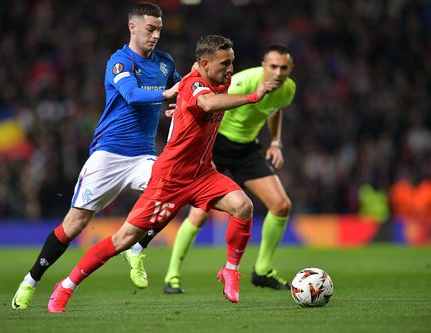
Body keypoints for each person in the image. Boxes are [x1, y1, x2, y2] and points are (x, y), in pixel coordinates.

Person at [46, 34, 280, 312]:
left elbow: (199, 98)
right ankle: (66, 286)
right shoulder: (196, 83)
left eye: (232, 62)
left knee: (243, 206)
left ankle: (230, 270)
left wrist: (181, 108)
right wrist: (253, 96)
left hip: (202, 174)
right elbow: (206, 104)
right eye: (225, 63)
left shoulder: (218, 79)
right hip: (169, 180)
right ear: (204, 64)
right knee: (124, 240)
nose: (230, 69)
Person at [11, 2, 181, 310]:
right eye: (150, 29)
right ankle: (30, 282)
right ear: (133, 27)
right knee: (74, 224)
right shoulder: (119, 61)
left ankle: (137, 247)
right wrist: (165, 95)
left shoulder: (165, 63)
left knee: (175, 191)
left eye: (159, 30)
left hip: (143, 155)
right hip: (108, 155)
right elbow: (131, 95)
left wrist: (181, 101)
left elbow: (183, 89)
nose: (155, 35)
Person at [128, 45, 296, 294]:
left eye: (284, 67)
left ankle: (262, 270)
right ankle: (172, 276)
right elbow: (212, 102)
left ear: (290, 69)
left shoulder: (288, 89)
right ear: (263, 66)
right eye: (273, 66)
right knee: (199, 213)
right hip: (215, 143)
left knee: (281, 205)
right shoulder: (243, 82)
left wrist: (275, 142)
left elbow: (274, 109)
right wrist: (187, 111)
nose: (279, 72)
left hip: (246, 149)